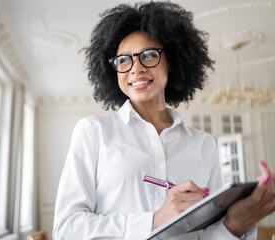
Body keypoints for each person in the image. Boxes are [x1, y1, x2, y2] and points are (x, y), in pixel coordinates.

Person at [52, 1, 275, 239]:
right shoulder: (94, 131)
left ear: (172, 62)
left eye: (149, 55)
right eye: (124, 60)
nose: (136, 69)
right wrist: (155, 220)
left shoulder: (204, 144)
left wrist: (238, 224)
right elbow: (67, 228)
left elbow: (206, 236)